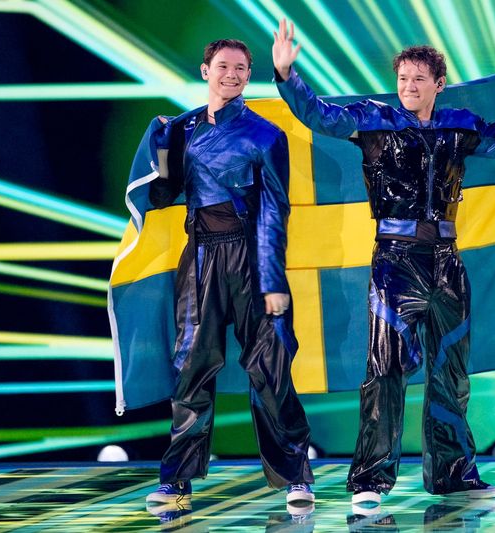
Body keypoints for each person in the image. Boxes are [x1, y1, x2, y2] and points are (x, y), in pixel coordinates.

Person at [272, 19, 495, 505]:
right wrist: (287, 76)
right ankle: (370, 482)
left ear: (438, 85)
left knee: (451, 372)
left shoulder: (459, 126)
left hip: (446, 261)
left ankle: (454, 478)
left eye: (419, 79)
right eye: (402, 79)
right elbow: (318, 115)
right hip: (395, 264)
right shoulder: (374, 121)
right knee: (384, 369)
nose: (408, 87)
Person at [142, 38, 315, 511]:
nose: (232, 74)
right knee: (191, 368)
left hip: (251, 257)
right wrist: (159, 148)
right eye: (223, 66)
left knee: (270, 365)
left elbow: (276, 211)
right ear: (205, 71)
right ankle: (176, 480)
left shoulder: (265, 135)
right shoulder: (183, 130)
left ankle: (296, 475)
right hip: (199, 256)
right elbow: (162, 195)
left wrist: (274, 279)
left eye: (241, 68)